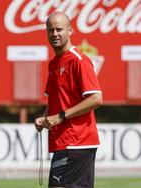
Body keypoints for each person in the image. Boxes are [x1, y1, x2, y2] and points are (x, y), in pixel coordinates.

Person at [34, 11, 103, 188]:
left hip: (76, 143)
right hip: (65, 143)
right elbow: (56, 102)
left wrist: (60, 116)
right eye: (50, 30)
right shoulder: (54, 63)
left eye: (59, 29)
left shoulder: (79, 60)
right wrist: (45, 117)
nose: (55, 34)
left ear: (70, 30)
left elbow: (96, 98)